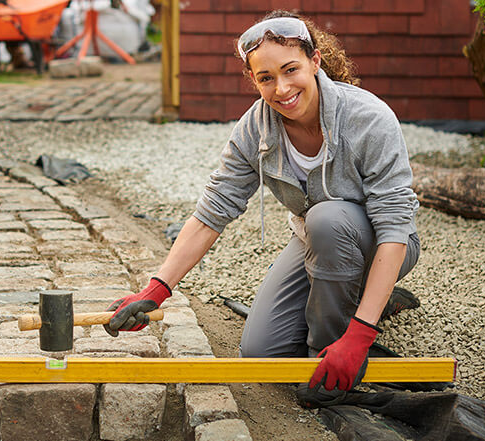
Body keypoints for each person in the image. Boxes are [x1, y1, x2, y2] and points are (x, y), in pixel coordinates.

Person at [104, 10, 421, 400]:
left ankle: (327, 356)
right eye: (266, 78)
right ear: (253, 80)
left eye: (291, 70)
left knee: (327, 219)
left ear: (315, 61)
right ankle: (363, 298)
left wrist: (359, 335)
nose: (282, 88)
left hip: (382, 244)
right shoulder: (255, 129)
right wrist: (156, 289)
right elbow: (212, 211)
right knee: (261, 353)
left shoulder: (368, 119)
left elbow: (394, 227)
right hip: (317, 242)